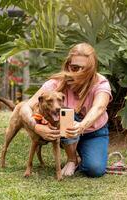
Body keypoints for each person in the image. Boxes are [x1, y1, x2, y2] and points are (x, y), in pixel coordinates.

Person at [20, 43, 112, 178]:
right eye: (74, 67)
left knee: (95, 169)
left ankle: (85, 153)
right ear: (68, 65)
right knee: (66, 114)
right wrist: (36, 126)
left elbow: (99, 107)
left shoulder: (100, 82)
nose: (79, 72)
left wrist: (81, 126)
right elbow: (25, 107)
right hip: (67, 132)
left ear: (92, 68)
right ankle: (71, 159)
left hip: (93, 132)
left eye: (84, 69)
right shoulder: (56, 83)